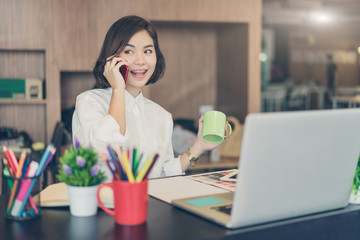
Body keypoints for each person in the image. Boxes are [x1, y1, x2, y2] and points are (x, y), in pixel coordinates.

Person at [72, 15, 230, 179]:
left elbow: (161, 174)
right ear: (112, 58)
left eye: (147, 51)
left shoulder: (162, 116)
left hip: (149, 204)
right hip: (104, 204)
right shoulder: (89, 102)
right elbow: (106, 150)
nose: (141, 61)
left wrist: (200, 146)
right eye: (129, 51)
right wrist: (118, 89)